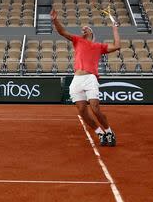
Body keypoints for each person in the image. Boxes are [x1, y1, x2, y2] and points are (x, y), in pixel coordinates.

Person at [51, 8, 120, 147]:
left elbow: (117, 46)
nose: (84, 29)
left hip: (90, 78)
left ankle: (109, 132)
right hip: (77, 79)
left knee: (95, 108)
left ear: (92, 33)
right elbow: (62, 32)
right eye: (83, 28)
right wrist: (55, 20)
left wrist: (114, 29)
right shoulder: (77, 41)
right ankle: (100, 133)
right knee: (82, 111)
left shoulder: (98, 46)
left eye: (87, 28)